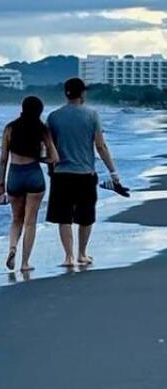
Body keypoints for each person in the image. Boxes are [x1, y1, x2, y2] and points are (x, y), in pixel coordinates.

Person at [46, 77, 121, 269]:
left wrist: (50, 170)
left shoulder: (53, 117)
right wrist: (113, 172)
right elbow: (100, 146)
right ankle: (82, 253)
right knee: (86, 216)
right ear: (83, 94)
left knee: (63, 217)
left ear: (66, 93)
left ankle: (68, 256)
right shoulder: (92, 115)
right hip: (85, 173)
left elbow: (49, 149)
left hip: (61, 174)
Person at [0, 95, 57, 273]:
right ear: (40, 111)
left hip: (14, 175)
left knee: (16, 219)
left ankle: (12, 248)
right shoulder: (42, 129)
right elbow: (55, 157)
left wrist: (0, 184)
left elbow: (3, 159)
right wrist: (39, 158)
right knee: (30, 222)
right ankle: (25, 263)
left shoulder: (10, 128)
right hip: (33, 174)